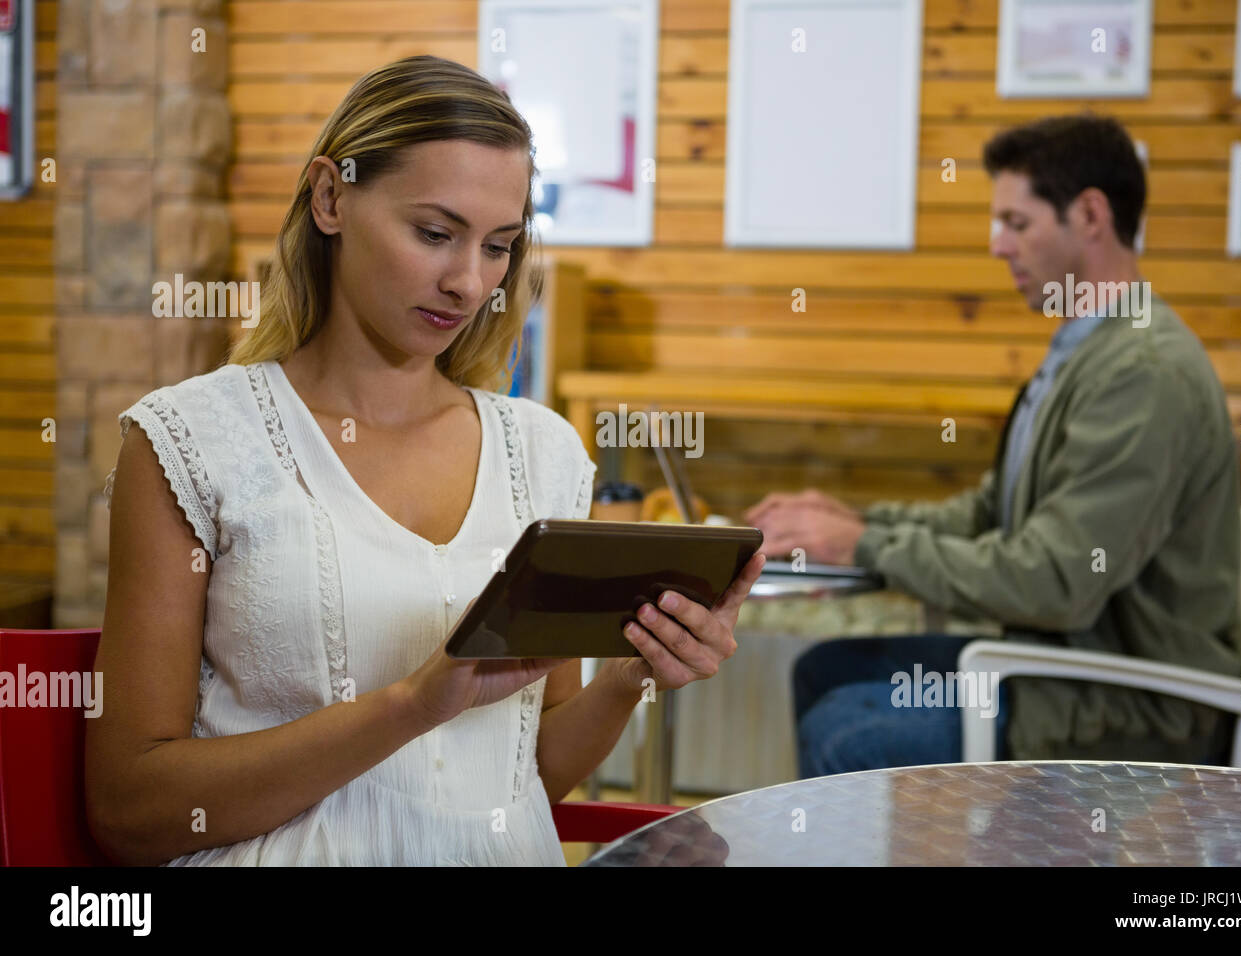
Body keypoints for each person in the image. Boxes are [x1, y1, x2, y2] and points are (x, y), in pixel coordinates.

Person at [86, 56, 764, 866]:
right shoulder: (192, 441)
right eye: (435, 234)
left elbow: (523, 780)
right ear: (330, 197)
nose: (468, 282)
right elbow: (131, 811)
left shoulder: (542, 453)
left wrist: (631, 675)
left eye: (499, 247)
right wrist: (411, 705)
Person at [746, 114, 1241, 777]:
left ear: (1090, 214)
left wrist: (864, 547)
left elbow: (1055, 580)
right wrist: (855, 524)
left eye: (1016, 222)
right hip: (1058, 667)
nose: (997, 245)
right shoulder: (1088, 350)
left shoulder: (1143, 372)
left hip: (1124, 705)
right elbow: (993, 516)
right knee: (826, 671)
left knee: (851, 731)